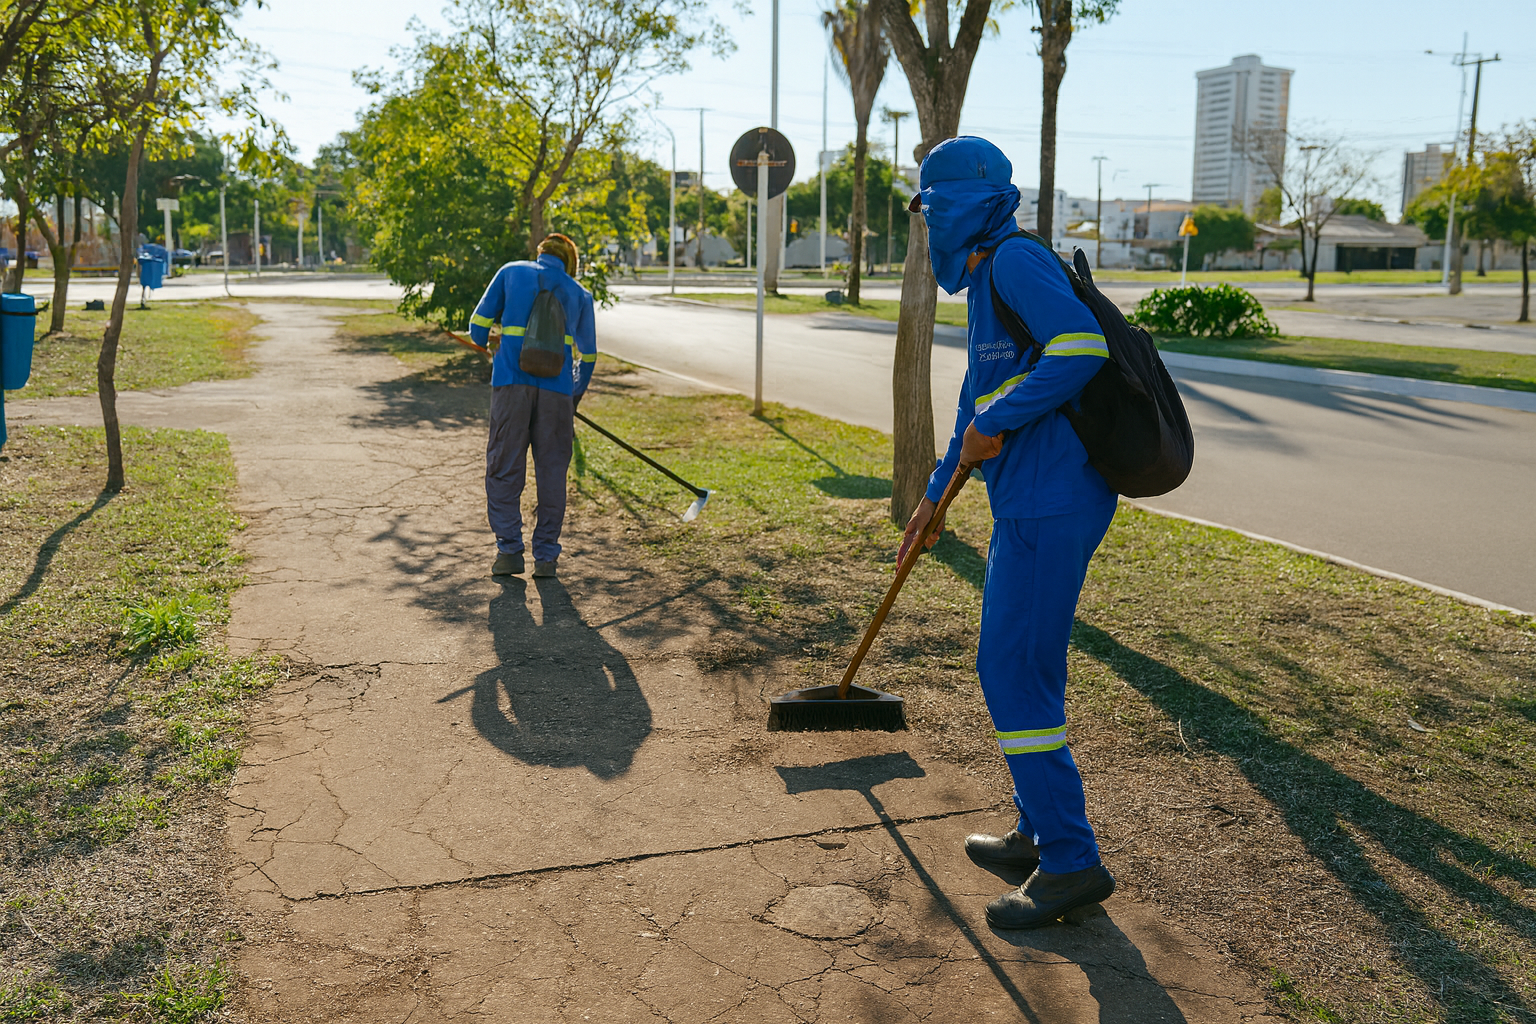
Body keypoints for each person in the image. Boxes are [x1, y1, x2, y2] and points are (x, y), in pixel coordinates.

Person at [898, 136, 1119, 929]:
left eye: (931, 210)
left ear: (962, 204)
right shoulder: (990, 274)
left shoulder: (1016, 261)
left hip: (1053, 499)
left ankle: (1069, 861)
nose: (928, 226)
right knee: (1027, 668)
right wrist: (932, 500)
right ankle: (1036, 830)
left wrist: (999, 419)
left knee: (1011, 671)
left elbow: (1082, 347)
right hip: (1028, 499)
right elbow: (975, 399)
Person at [469, 233, 597, 579]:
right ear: (570, 262)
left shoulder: (511, 271)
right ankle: (546, 558)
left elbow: (477, 327)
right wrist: (573, 396)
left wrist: (487, 342)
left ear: (541, 251)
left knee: (504, 466)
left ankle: (509, 551)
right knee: (552, 473)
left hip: (511, 385)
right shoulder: (580, 294)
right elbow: (588, 356)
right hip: (557, 395)